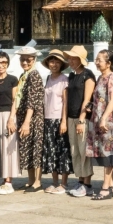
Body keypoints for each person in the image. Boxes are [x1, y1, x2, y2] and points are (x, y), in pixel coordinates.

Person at [87, 49, 113, 200]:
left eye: (100, 60)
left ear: (109, 63)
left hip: (108, 122)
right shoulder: (101, 77)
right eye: (96, 59)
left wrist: (103, 118)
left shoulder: (112, 78)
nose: (97, 62)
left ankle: (105, 188)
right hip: (98, 119)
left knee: (108, 154)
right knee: (103, 152)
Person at [64, 46, 96, 197]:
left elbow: (87, 99)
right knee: (75, 150)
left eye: (73, 58)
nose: (70, 61)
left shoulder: (87, 76)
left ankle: (87, 183)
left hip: (82, 118)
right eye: (69, 58)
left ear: (80, 60)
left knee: (84, 150)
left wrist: (82, 120)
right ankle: (80, 180)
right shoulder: (72, 76)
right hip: (71, 116)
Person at [0, 52, 20, 195]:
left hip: (8, 115)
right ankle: (4, 179)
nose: (1, 65)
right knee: (0, 149)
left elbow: (15, 100)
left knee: (9, 148)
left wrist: (12, 118)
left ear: (7, 64)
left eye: (3, 62)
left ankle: (9, 181)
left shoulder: (13, 79)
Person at [14, 45, 45, 192]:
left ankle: (37, 182)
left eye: (28, 60)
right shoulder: (24, 75)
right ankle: (31, 180)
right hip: (25, 117)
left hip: (33, 118)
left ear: (34, 60)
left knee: (35, 148)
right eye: (23, 59)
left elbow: (32, 101)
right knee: (27, 148)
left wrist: (27, 122)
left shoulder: (34, 75)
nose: (25, 62)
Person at [42, 50, 73, 194]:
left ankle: (64, 183)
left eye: (57, 62)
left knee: (63, 151)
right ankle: (54, 181)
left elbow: (66, 102)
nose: (54, 64)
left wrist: (64, 122)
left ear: (61, 64)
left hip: (59, 119)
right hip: (47, 119)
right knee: (51, 151)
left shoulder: (64, 80)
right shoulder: (48, 78)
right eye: (51, 61)